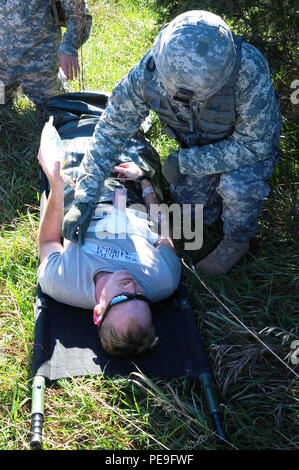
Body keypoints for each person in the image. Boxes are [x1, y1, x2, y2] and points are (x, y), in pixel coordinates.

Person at [61, 10, 282, 276]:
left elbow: (254, 144)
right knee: (194, 220)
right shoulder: (150, 71)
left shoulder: (248, 70)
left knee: (237, 187)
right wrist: (85, 196)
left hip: (245, 153)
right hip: (197, 147)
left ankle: (237, 241)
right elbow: (111, 130)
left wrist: (186, 162)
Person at [37, 148, 181, 358]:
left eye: (123, 297)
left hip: (79, 194)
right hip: (130, 193)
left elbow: (48, 241)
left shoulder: (61, 281)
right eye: (141, 297)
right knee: (130, 141)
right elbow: (163, 233)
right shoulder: (164, 280)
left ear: (98, 312)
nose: (132, 286)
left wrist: (57, 187)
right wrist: (144, 181)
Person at [0, 0, 92, 109]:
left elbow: (79, 14)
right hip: (3, 63)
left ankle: (60, 80)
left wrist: (68, 48)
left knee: (57, 108)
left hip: (40, 61)